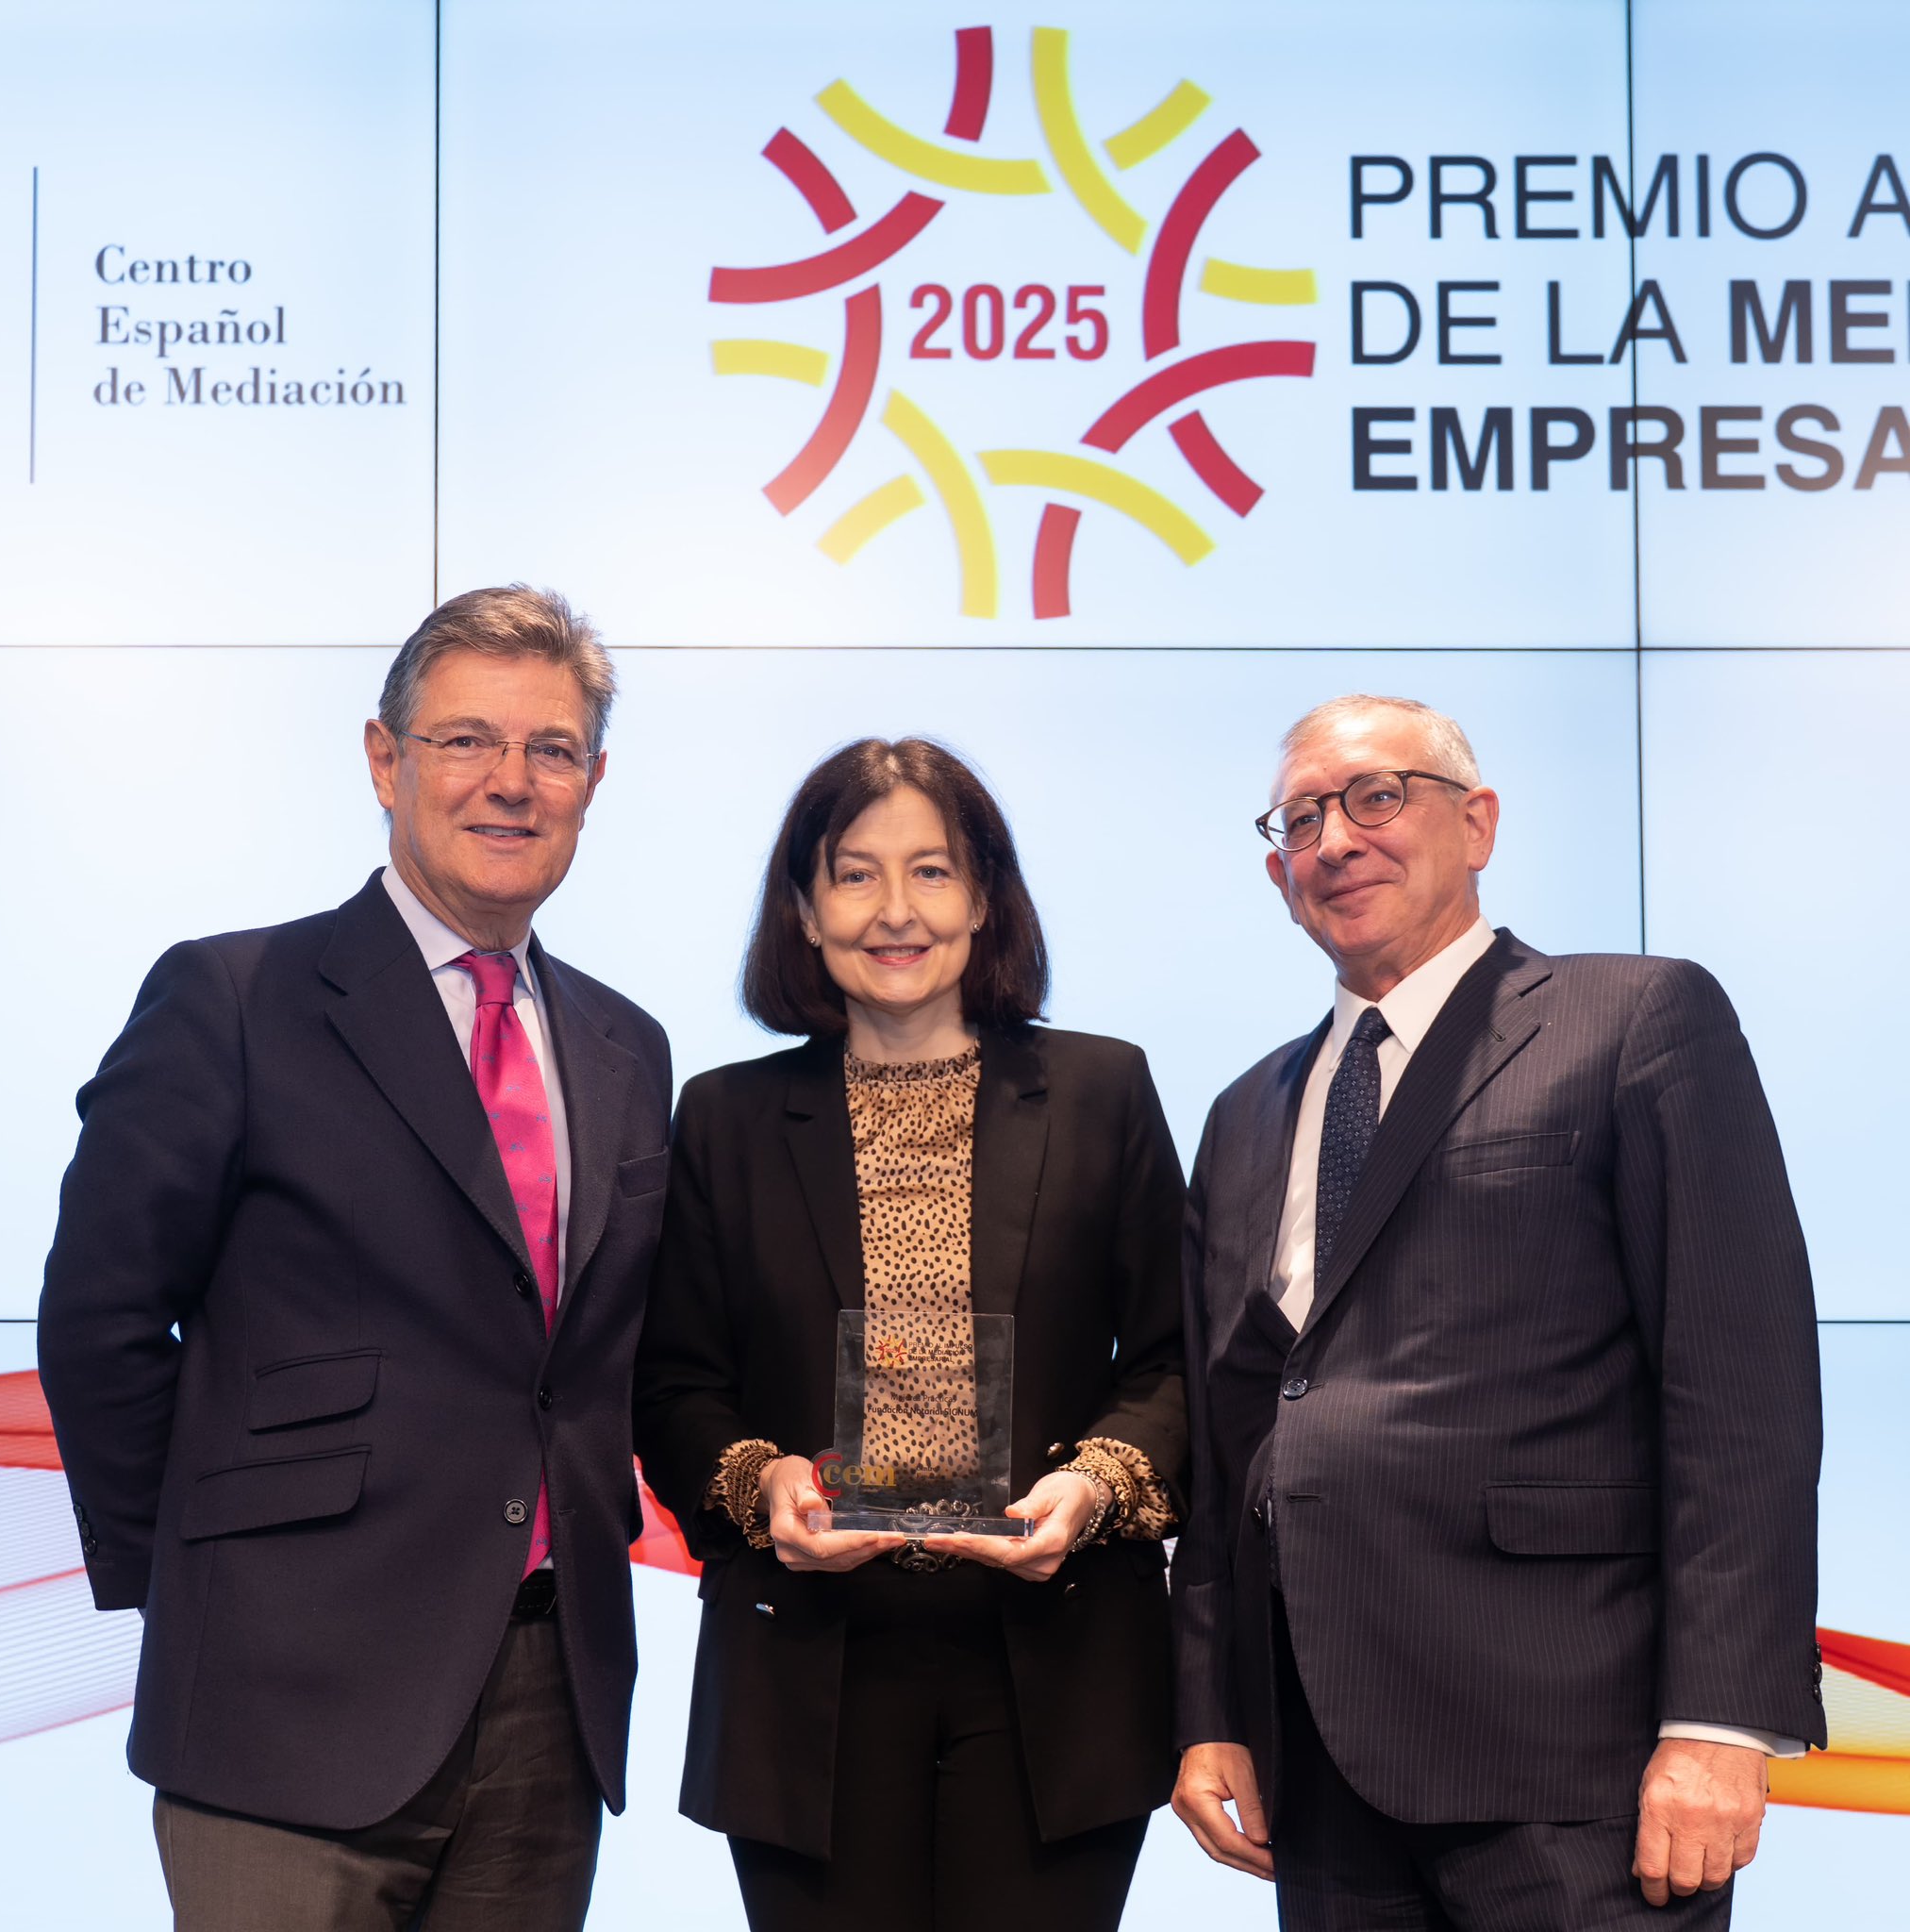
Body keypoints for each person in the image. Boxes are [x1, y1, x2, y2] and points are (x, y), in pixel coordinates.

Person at [37, 586, 672, 1932]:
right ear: (386, 760)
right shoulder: (232, 999)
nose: (511, 781)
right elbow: (100, 1322)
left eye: (552, 749)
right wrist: (202, 1591)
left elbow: (599, 1362)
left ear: (595, 782)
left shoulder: (626, 1046)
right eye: (466, 739)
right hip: (280, 1699)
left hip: (547, 1703)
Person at [1169, 694, 1825, 1927]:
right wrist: (1211, 1713)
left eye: (1375, 797)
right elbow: (1229, 1440)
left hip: (1579, 1760)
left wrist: (1721, 1722)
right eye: (1300, 820)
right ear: (1276, 876)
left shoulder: (1633, 1019)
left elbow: (1740, 1395)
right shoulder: (1247, 1109)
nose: (1335, 839)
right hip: (1320, 1763)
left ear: (1476, 823)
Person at [635, 737, 1185, 1932]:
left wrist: (1093, 1485)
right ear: (803, 908)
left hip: (1057, 1663)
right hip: (806, 1668)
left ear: (984, 899)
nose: (895, 910)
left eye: (932, 871)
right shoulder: (725, 1117)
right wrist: (763, 1481)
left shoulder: (1102, 1090)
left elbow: (1172, 1358)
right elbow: (674, 1381)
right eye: (854, 873)